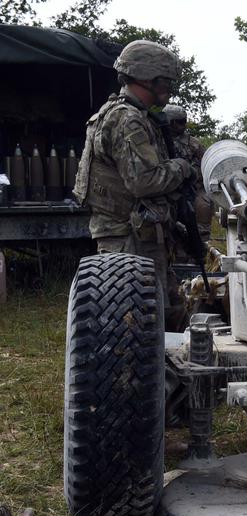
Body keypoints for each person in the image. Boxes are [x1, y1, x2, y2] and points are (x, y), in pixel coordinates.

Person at [73, 40, 195, 330]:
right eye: (166, 81)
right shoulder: (127, 120)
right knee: (138, 325)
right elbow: (143, 181)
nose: (170, 88)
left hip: (137, 233)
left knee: (164, 314)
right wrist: (182, 168)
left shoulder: (128, 114)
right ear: (146, 78)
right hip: (129, 240)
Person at [162, 103, 213, 260]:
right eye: (179, 121)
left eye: (184, 121)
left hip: (193, 190)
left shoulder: (193, 143)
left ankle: (200, 251)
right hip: (167, 190)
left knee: (203, 205)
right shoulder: (158, 141)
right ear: (170, 122)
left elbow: (207, 163)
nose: (183, 125)